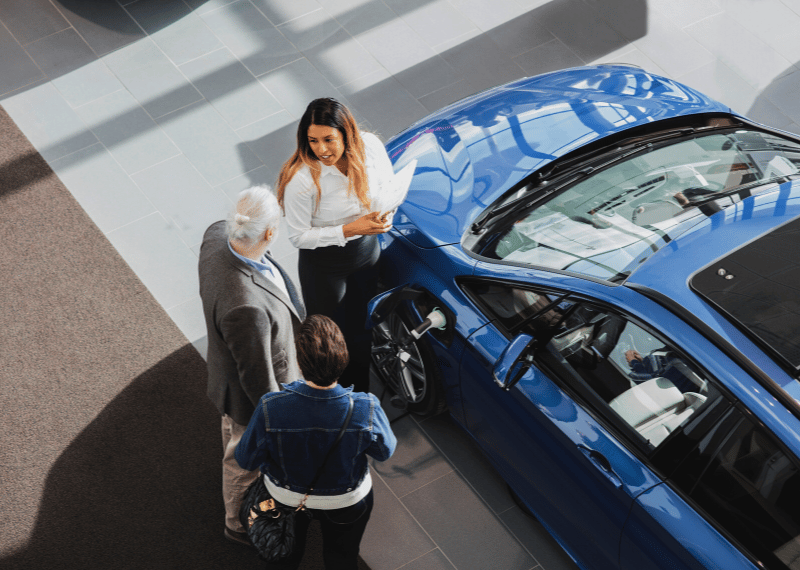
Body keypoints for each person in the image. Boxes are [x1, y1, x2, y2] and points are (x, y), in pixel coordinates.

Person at [236, 314, 397, 570]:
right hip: (347, 499)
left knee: (284, 558)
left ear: (300, 362)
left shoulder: (271, 407)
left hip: (284, 497)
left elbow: (245, 459)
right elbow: (384, 451)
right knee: (341, 558)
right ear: (343, 359)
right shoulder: (366, 407)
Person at [198, 185, 306, 545]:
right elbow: (257, 378)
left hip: (225, 369)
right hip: (246, 394)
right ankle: (238, 522)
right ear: (270, 233)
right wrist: (278, 422)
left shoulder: (216, 235)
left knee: (231, 437)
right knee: (243, 458)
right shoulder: (247, 307)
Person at [277, 97, 395, 394]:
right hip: (324, 266)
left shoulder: (369, 147)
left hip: (366, 252)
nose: (321, 149)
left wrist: (387, 212)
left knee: (361, 330)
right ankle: (333, 396)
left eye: (329, 139)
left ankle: (362, 394)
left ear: (347, 133)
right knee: (330, 339)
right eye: (313, 140)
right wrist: (351, 228)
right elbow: (298, 236)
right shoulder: (302, 179)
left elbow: (388, 185)